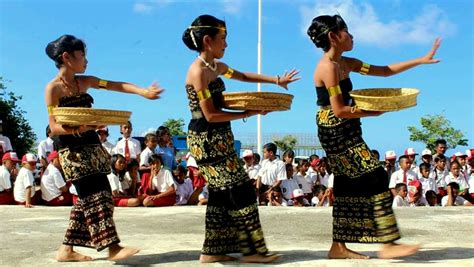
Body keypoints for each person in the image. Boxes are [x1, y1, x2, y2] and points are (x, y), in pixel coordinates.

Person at [307, 14, 440, 259]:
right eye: (346, 31)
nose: (352, 35)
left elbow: (385, 71)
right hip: (335, 129)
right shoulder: (327, 68)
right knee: (377, 175)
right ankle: (388, 242)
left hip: (348, 125)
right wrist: (374, 111)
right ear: (333, 37)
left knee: (346, 185)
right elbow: (338, 109)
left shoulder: (348, 63)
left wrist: (420, 60)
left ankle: (338, 246)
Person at [182, 14, 299, 263]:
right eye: (222, 39)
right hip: (206, 139)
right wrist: (250, 112)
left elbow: (243, 76)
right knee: (242, 191)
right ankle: (252, 251)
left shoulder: (216, 67)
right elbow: (211, 115)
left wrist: (277, 80)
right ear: (207, 40)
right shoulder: (198, 72)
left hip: (220, 137)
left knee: (222, 193)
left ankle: (211, 252)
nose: (226, 44)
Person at [44, 34, 163, 262]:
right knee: (98, 197)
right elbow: (54, 127)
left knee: (94, 198)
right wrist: (84, 126)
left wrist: (142, 91)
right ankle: (113, 247)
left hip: (92, 148)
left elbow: (115, 85)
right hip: (72, 153)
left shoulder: (85, 82)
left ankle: (66, 250)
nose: (86, 60)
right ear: (67, 57)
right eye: (82, 55)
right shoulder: (53, 89)